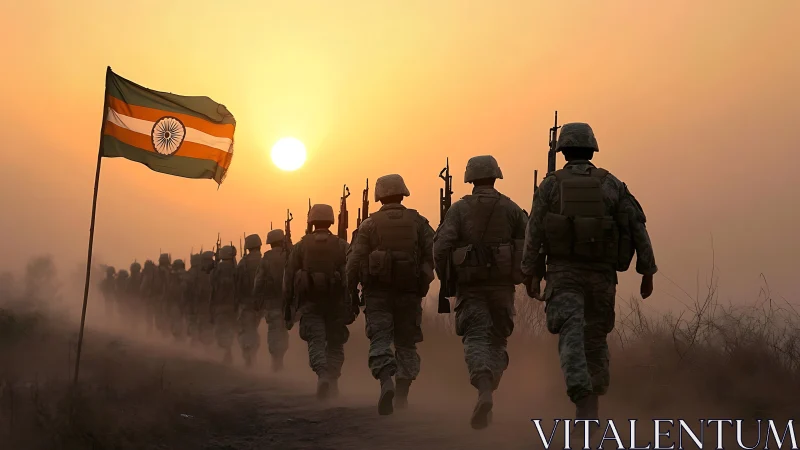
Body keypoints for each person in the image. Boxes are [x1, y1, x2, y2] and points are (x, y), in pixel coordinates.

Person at [521, 122, 657, 431]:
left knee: (571, 335)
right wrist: (647, 271)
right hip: (601, 277)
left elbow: (534, 231)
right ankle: (592, 401)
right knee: (595, 339)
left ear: (563, 151)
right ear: (592, 149)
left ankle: (582, 399)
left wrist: (529, 272)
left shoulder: (550, 186)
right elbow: (637, 226)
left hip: (564, 274)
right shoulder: (612, 184)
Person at [433, 155, 528, 430]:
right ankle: (488, 389)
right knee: (498, 341)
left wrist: (446, 279)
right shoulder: (511, 208)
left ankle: (484, 388)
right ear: (495, 176)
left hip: (471, 287)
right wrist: (523, 276)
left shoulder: (459, 210)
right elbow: (528, 242)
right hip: (502, 287)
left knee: (475, 338)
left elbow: (440, 247)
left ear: (470, 178)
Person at [346, 174, 435, 415]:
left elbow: (353, 261)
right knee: (406, 343)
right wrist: (423, 282)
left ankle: (386, 382)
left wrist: (351, 291)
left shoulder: (369, 225)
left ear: (380, 195)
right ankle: (402, 395)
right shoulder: (418, 222)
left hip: (377, 295)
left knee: (380, 340)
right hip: (409, 294)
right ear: (402, 192)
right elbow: (433, 254)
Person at [284, 204, 352, 399]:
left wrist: (288, 306)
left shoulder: (301, 246)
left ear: (311, 221)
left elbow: (289, 277)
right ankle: (333, 381)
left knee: (316, 341)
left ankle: (322, 376)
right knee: (335, 344)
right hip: (335, 305)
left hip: (310, 304)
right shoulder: (341, 245)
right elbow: (351, 273)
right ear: (331, 220)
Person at [253, 228, 291, 371]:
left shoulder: (267, 258)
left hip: (272, 302)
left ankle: (276, 360)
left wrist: (257, 299)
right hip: (287, 302)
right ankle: (279, 359)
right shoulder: (289, 255)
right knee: (283, 331)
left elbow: (259, 281)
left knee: (275, 330)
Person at [237, 234, 264, 367]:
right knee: (254, 328)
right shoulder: (264, 261)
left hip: (247, 303)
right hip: (261, 304)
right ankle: (253, 355)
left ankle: (249, 356)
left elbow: (237, 284)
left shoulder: (243, 263)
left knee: (246, 329)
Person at [211, 245, 238, 363]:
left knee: (222, 329)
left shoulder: (217, 270)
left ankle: (227, 351)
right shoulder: (236, 269)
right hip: (233, 305)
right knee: (231, 328)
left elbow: (212, 284)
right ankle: (228, 351)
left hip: (220, 305)